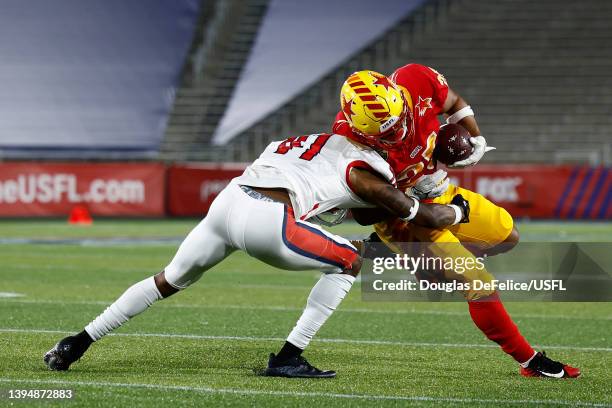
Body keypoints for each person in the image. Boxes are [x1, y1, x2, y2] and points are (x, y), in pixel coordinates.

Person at [43, 73, 470, 378]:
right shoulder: (366, 168)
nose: (396, 132)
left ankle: (76, 342)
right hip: (268, 219)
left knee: (167, 281)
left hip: (227, 203)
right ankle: (287, 356)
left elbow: (359, 206)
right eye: (387, 127)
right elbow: (417, 214)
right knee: (352, 262)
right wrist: (458, 210)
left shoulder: (309, 139)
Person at [324, 66, 580, 378]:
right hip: (404, 218)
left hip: (441, 192)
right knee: (478, 284)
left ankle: (404, 258)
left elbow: (454, 102)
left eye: (400, 120)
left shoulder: (415, 79)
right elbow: (364, 214)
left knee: (508, 235)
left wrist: (475, 137)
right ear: (360, 128)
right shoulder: (346, 145)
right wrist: (400, 197)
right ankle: (531, 362)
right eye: (386, 133)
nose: (399, 134)